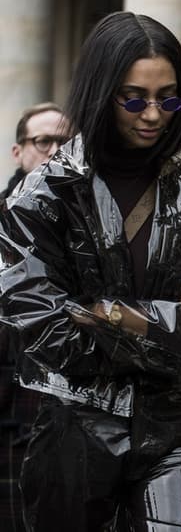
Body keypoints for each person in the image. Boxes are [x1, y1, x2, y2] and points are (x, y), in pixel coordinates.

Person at [0, 11, 181, 531]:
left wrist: (106, 312)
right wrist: (174, 317)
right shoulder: (43, 195)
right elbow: (47, 333)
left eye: (170, 98)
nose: (154, 114)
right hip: (71, 428)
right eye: (134, 98)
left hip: (172, 432)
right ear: (101, 93)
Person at [0, 102, 68, 532]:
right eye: (44, 141)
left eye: (66, 142)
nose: (55, 151)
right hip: (10, 427)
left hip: (75, 432)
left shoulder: (101, 228)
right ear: (19, 151)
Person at [4, 102, 69, 199]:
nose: (55, 151)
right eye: (43, 141)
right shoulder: (4, 211)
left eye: (64, 142)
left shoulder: (93, 208)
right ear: (17, 153)